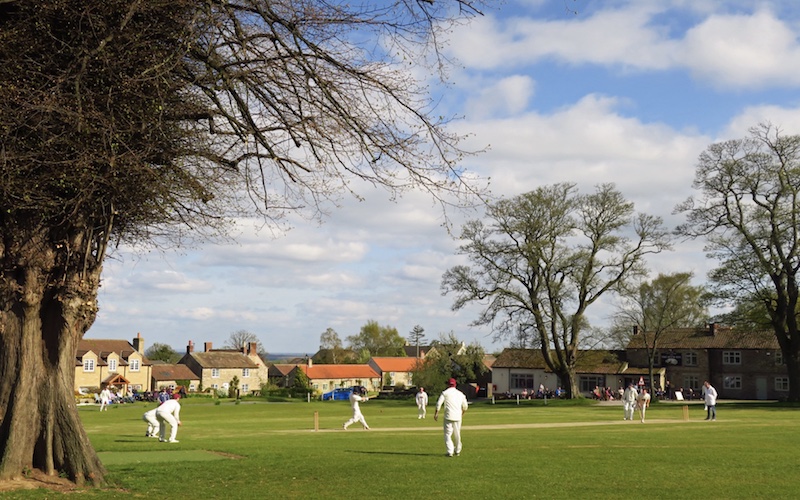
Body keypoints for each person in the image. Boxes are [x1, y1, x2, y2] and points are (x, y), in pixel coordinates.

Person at [434, 378, 468, 457]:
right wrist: (462, 413)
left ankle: (450, 451)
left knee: (447, 434)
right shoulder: (460, 394)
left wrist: (436, 413)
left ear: (448, 385)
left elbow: (439, 404)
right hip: (457, 416)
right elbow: (465, 406)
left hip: (448, 416)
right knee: (457, 434)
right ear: (455, 385)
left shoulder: (445, 393)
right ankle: (458, 450)